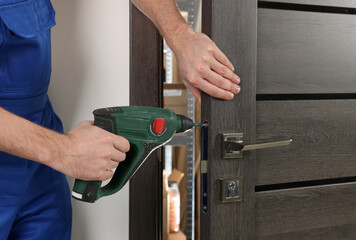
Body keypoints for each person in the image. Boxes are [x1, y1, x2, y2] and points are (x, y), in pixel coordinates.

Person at [0, 0, 240, 239]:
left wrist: (179, 34)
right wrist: (62, 150)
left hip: (41, 155)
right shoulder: (58, 151)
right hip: (40, 151)